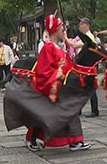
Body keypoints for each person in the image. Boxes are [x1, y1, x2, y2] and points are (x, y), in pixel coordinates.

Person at [16, 14, 90, 151]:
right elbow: (43, 71)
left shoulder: (58, 48)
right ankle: (31, 138)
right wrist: (60, 75)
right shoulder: (48, 48)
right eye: (62, 29)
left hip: (61, 87)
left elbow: (66, 66)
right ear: (55, 31)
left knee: (71, 112)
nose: (64, 32)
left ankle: (75, 141)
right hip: (51, 88)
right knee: (43, 116)